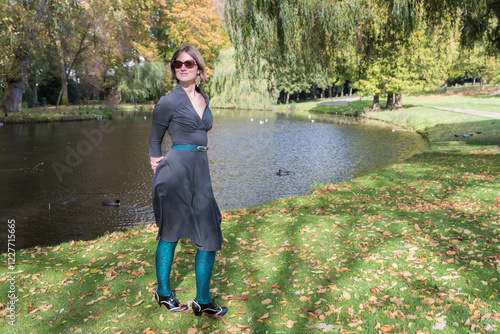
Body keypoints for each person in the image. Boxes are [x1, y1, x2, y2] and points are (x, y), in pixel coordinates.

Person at [148, 44, 227, 317]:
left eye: (189, 63)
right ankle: (163, 291)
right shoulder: (168, 101)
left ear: (199, 69)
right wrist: (155, 159)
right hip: (176, 171)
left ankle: (202, 300)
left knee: (210, 232)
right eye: (177, 64)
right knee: (169, 233)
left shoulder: (204, 97)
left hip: (200, 171)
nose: (182, 67)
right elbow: (155, 137)